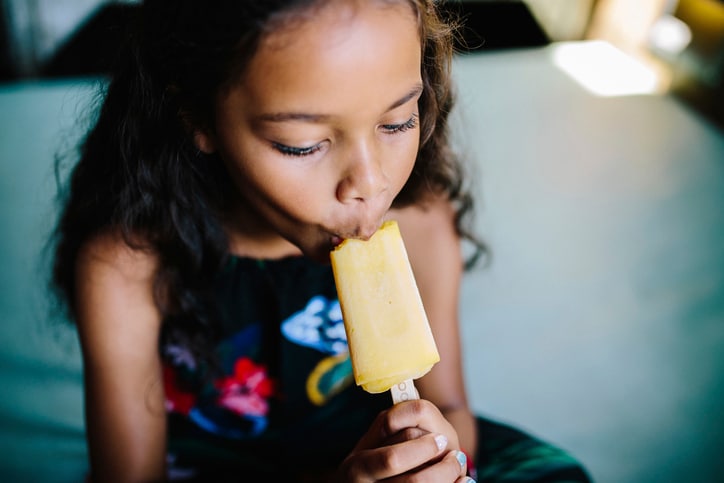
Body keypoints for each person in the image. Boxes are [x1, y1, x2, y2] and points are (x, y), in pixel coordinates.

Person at [51, 0, 592, 481]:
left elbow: (449, 407)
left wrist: (435, 455)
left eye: (399, 121)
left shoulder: (421, 224)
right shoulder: (130, 265)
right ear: (197, 114)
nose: (371, 184)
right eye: (302, 145)